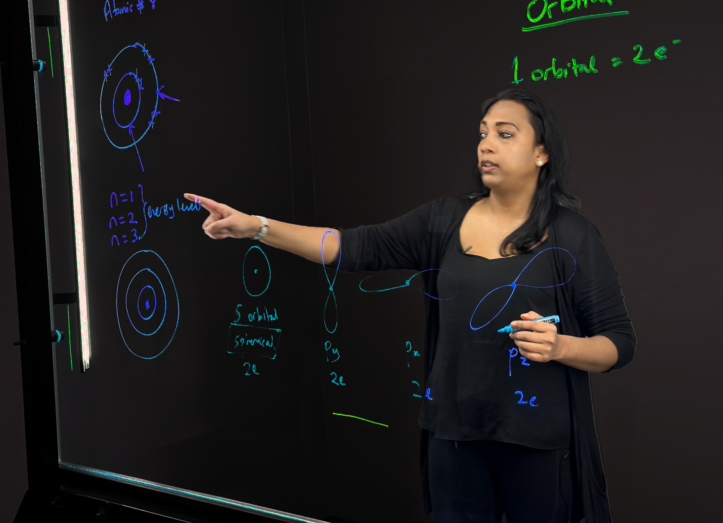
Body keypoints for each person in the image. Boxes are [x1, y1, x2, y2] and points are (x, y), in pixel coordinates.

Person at [185, 88, 637, 523]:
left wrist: (561, 348)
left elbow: (618, 343)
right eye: (482, 133)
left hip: (540, 445)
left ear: (542, 153)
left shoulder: (574, 236)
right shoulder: (442, 220)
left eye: (504, 133)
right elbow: (348, 247)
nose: (486, 145)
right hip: (453, 439)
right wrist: (256, 227)